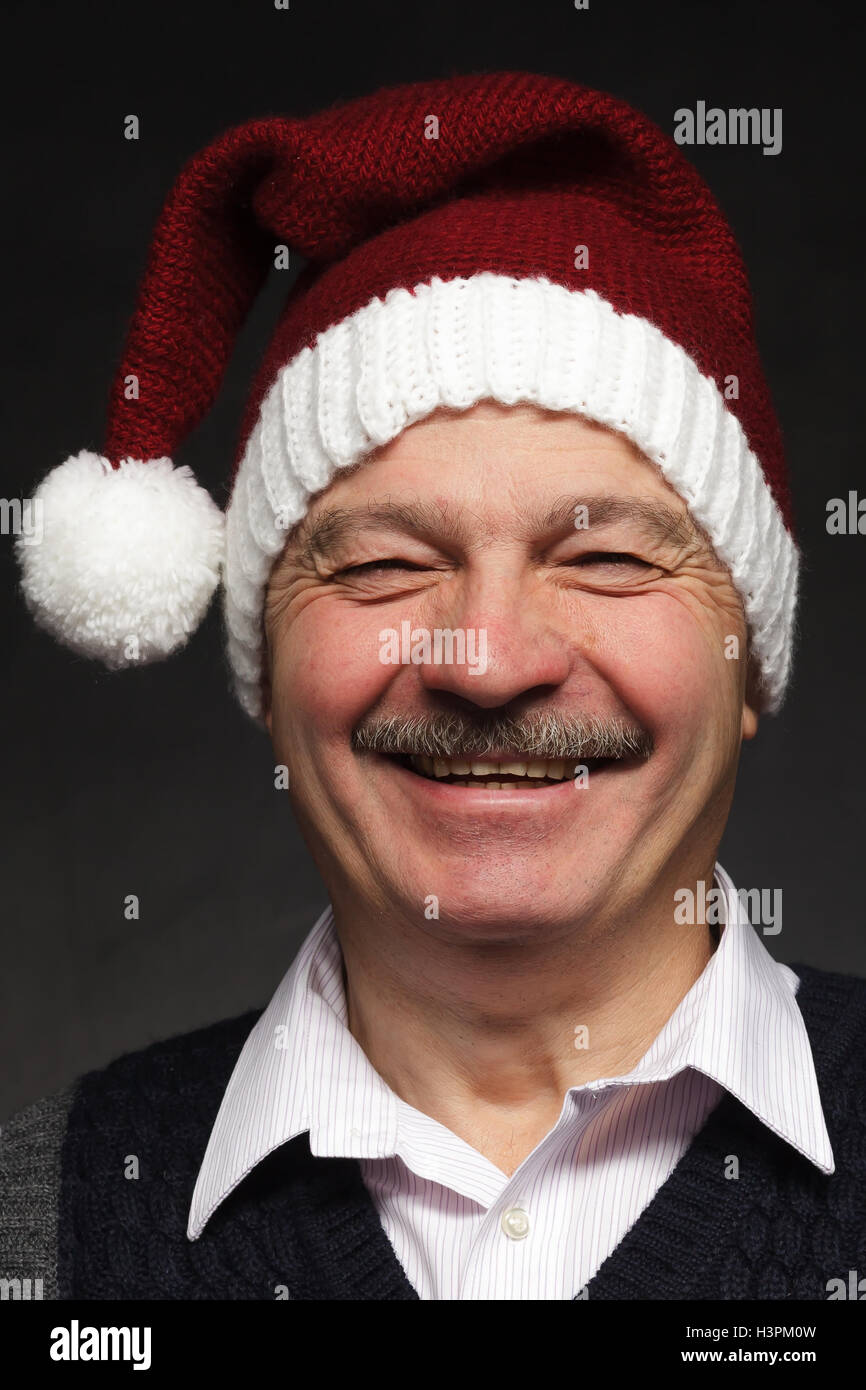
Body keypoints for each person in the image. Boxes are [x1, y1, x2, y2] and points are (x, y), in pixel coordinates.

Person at [3, 69, 864, 1302]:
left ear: (748, 662)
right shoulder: (35, 1231)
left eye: (607, 559)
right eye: (382, 563)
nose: (491, 657)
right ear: (268, 663)